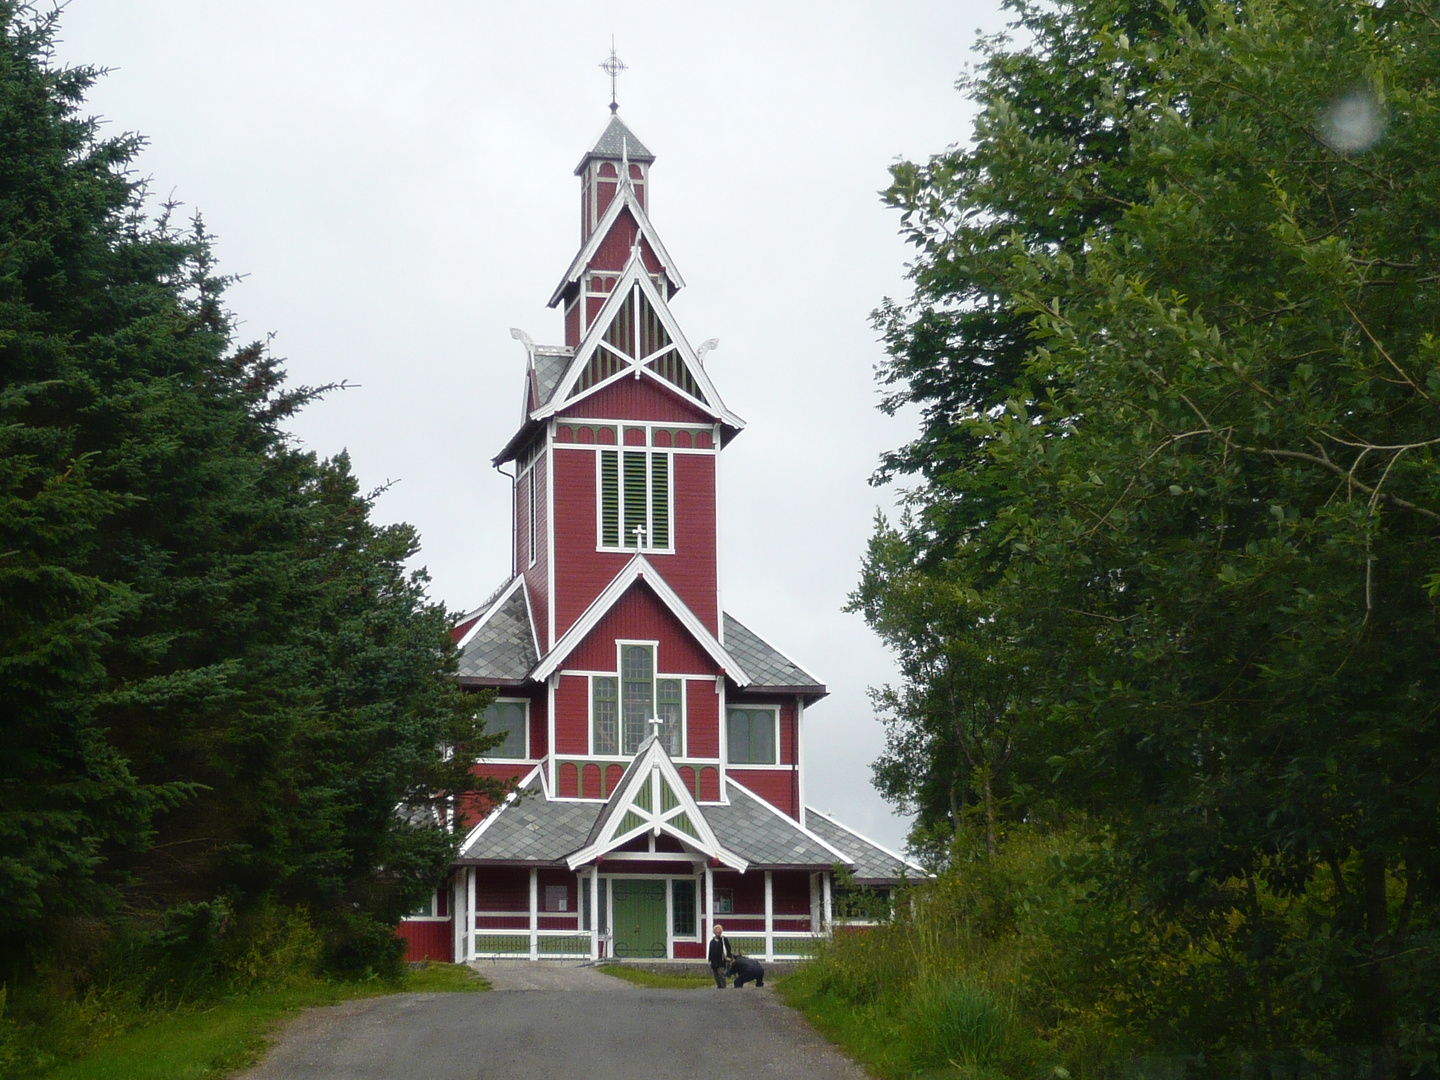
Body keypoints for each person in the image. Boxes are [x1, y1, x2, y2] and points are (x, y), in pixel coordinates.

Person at [707, 923, 733, 988]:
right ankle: (719, 987)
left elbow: (728, 949)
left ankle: (723, 987)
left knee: (721, 974)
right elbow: (710, 951)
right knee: (716, 975)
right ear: (714, 932)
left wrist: (729, 957)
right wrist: (709, 960)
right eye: (716, 931)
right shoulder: (712, 941)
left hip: (722, 960)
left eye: (719, 931)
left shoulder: (724, 940)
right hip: (714, 961)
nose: (718, 932)